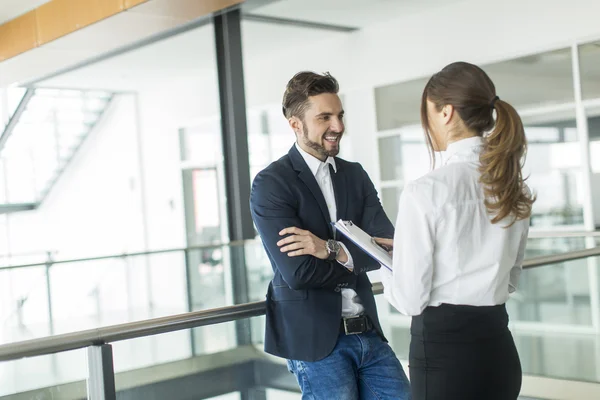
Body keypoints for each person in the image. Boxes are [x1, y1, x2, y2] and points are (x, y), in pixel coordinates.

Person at [375, 61, 535, 400]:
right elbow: (509, 280)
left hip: (445, 359)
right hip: (499, 353)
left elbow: (409, 299)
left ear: (446, 112)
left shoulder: (426, 190)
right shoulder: (511, 186)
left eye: (429, 111)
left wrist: (389, 262)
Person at [250, 71, 411, 400]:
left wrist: (331, 249)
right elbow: (299, 273)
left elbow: (388, 248)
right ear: (295, 123)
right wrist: (357, 256)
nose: (337, 126)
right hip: (316, 341)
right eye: (324, 117)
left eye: (339, 116)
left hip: (367, 329)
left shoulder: (354, 174)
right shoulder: (273, 183)